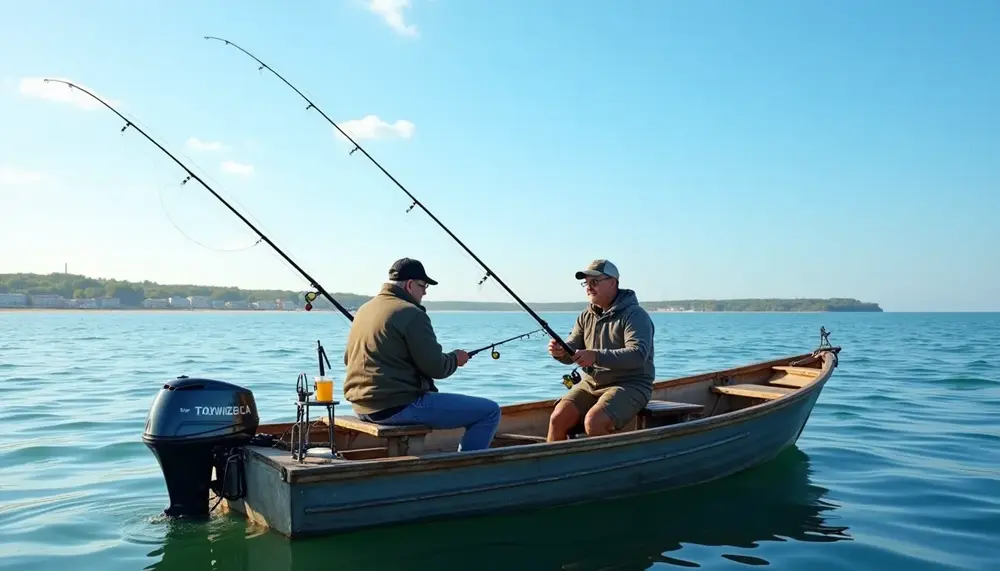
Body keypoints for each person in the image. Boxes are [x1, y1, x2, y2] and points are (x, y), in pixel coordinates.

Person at [342, 257, 502, 452]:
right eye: (423, 285)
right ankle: (466, 470)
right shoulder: (411, 313)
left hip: (361, 407)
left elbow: (347, 359)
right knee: (489, 411)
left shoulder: (364, 310)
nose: (425, 291)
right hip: (396, 407)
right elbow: (437, 368)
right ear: (410, 285)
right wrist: (455, 359)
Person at [546, 259, 655, 441]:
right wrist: (560, 352)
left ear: (612, 282)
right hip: (591, 384)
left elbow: (637, 355)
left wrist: (595, 356)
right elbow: (572, 347)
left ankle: (607, 467)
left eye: (595, 282)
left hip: (630, 384)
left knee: (594, 421)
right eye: (586, 283)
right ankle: (550, 467)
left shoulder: (635, 315)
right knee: (558, 417)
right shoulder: (586, 315)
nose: (589, 287)